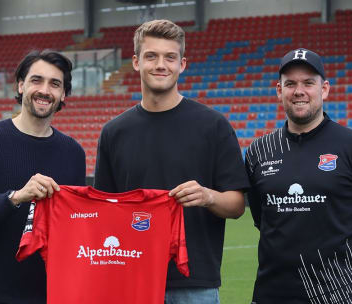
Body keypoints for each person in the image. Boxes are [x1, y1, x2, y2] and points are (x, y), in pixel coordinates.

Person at [94, 19, 250, 304]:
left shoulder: (213, 126)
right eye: (151, 56)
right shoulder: (114, 132)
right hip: (132, 277)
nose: (160, 65)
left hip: (195, 283)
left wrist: (207, 196)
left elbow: (237, 205)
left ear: (183, 64)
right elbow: (105, 211)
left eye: (170, 57)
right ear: (136, 62)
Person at [245, 48, 352, 304]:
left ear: (324, 89)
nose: (299, 91)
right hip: (272, 294)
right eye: (290, 83)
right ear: (279, 90)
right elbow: (264, 220)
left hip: (341, 295)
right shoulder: (258, 152)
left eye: (308, 83)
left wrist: (344, 262)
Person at [0, 49, 86, 304]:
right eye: (37, 80)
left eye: (55, 84)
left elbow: (76, 226)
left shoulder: (74, 153)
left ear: (63, 95)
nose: (45, 90)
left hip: (51, 296)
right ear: (21, 85)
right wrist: (16, 197)